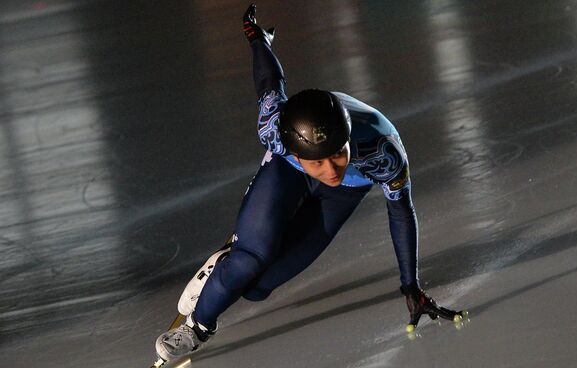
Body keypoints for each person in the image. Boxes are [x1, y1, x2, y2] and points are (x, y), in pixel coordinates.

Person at [155, 4, 457, 363]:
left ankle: (229, 265)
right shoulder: (275, 133)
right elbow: (270, 82)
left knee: (257, 289)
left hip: (345, 194)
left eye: (338, 155)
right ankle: (198, 327)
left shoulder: (382, 152)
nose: (331, 170)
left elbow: (401, 211)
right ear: (297, 154)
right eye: (318, 161)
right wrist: (257, 38)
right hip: (286, 172)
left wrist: (412, 286)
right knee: (250, 261)